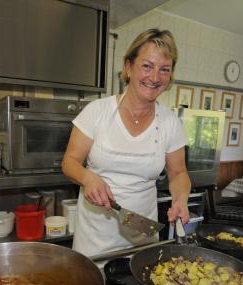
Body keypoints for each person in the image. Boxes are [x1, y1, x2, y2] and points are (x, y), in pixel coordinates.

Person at [62, 28, 191, 257]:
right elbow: (70, 162)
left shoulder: (170, 122)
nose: (154, 77)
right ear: (129, 67)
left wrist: (181, 199)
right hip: (94, 240)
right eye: (147, 66)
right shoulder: (97, 111)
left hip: (142, 237)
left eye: (164, 70)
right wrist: (87, 177)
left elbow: (179, 173)